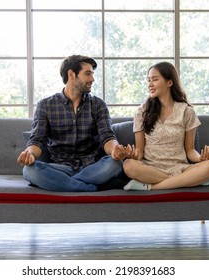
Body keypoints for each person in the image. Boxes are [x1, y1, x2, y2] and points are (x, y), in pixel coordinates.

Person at [17, 55, 132, 192]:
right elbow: (37, 139)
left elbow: (107, 136)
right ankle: (93, 187)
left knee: (115, 163)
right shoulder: (45, 105)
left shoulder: (98, 105)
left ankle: (60, 183)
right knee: (29, 170)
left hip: (92, 167)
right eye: (87, 74)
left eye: (92, 74)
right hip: (59, 167)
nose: (92, 79)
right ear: (71, 74)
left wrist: (115, 150)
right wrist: (30, 154)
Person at [123, 61, 209, 191]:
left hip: (179, 167)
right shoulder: (142, 111)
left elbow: (190, 150)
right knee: (129, 165)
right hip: (151, 168)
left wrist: (200, 158)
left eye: (155, 79)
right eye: (148, 80)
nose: (150, 84)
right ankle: (187, 180)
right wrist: (133, 156)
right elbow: (139, 152)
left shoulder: (186, 111)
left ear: (170, 82)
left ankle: (150, 187)